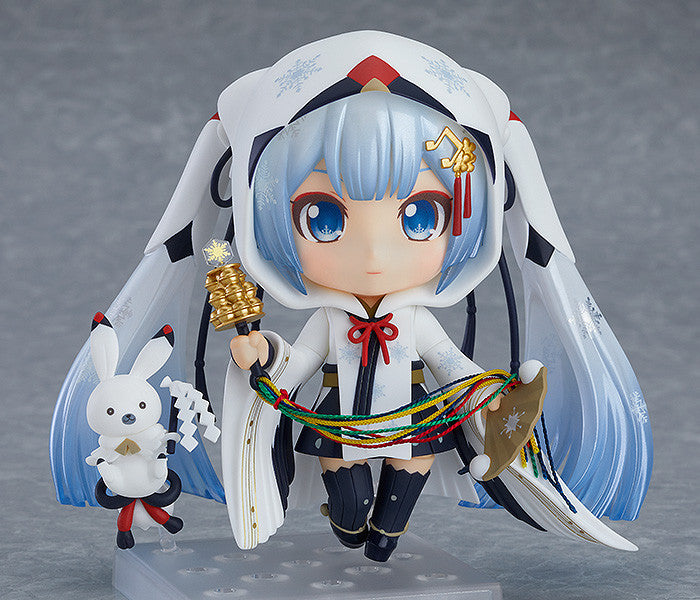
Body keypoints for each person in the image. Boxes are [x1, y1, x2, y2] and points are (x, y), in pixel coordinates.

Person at [51, 31, 652, 561]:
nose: (372, 255)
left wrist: (493, 396)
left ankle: (386, 536)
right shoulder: (329, 318)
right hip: (341, 420)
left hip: (413, 417)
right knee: (346, 505)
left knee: (403, 487)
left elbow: (451, 365)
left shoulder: (414, 318)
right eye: (323, 218)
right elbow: (297, 366)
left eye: (421, 216)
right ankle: (348, 526)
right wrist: (262, 357)